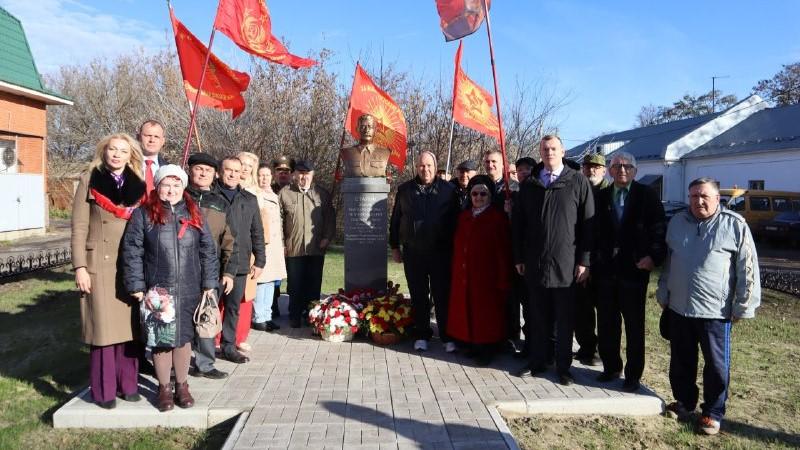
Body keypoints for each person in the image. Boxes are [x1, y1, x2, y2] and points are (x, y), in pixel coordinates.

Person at [657, 177, 760, 436]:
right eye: (693, 196)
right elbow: (670, 261)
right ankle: (684, 403)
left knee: (716, 366)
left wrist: (743, 305)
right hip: (680, 307)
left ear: (717, 199)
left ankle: (712, 413)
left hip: (716, 312)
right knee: (681, 361)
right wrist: (663, 290)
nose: (698, 201)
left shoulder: (734, 225)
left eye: (704, 196)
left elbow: (747, 267)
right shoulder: (678, 222)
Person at [122, 165, 218, 412]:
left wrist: (209, 283)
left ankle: (182, 386)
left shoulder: (194, 212)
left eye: (177, 185)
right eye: (166, 184)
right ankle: (164, 388)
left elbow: (208, 249)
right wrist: (136, 285)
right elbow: (132, 251)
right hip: (158, 291)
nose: (171, 190)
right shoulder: (144, 214)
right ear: (158, 185)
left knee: (184, 338)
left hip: (189, 287)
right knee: (162, 340)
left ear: (183, 187)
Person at [71, 133, 146, 409]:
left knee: (129, 330)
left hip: (129, 265)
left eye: (122, 151)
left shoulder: (138, 186)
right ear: (103, 152)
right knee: (103, 332)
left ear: (131, 156)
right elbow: (79, 227)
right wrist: (80, 266)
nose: (116, 154)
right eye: (112, 149)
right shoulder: (89, 180)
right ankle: (103, 391)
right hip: (98, 266)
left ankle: (128, 384)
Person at [512, 135, 594, 386]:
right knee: (536, 316)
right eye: (545, 149)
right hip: (535, 262)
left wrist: (585, 261)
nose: (549, 152)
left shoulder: (577, 181)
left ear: (562, 151)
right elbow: (518, 224)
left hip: (566, 264)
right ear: (540, 152)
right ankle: (538, 361)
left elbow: (588, 225)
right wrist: (519, 256)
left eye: (553, 148)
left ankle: (563, 367)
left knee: (564, 319)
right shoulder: (531, 184)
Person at [593, 152, 666, 392]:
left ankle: (634, 375)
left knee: (634, 326)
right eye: (617, 166)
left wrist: (653, 257)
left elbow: (658, 229)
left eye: (627, 166)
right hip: (605, 272)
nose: (622, 170)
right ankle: (611, 367)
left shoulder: (647, 195)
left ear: (635, 171)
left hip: (634, 270)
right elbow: (592, 230)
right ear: (610, 171)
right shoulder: (601, 196)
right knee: (606, 323)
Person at [389, 151, 458, 352]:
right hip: (414, 252)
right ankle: (422, 334)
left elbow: (456, 222)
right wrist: (394, 246)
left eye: (429, 166)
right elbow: (395, 220)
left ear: (435, 168)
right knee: (419, 295)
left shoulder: (448, 190)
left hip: (441, 253)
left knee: (442, 295)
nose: (425, 169)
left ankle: (447, 336)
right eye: (421, 166)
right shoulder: (404, 190)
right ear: (416, 167)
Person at [447, 175, 512, 366]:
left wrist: (503, 278)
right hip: (466, 275)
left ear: (490, 196)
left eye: (483, 193)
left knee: (487, 316)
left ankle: (487, 349)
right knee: (469, 311)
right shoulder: (464, 217)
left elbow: (503, 251)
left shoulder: (497, 218)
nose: (478, 197)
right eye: (474, 193)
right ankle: (472, 344)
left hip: (488, 277)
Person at [185, 153, 236, 380]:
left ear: (215, 174)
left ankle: (204, 364)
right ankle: (180, 362)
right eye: (198, 168)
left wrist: (228, 271)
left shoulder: (221, 202)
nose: (203, 173)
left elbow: (229, 240)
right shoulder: (179, 196)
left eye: (208, 170)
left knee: (206, 316)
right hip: (180, 269)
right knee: (182, 318)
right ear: (190, 171)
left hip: (209, 269)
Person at [217, 157, 266, 364]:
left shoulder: (249, 199)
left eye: (237, 171)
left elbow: (257, 232)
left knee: (233, 307)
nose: (232, 174)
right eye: (228, 170)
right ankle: (204, 349)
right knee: (208, 306)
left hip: (240, 262)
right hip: (214, 262)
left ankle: (229, 345)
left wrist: (260, 260)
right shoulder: (211, 196)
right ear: (220, 172)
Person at [279, 160, 336, 328]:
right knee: (295, 284)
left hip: (316, 246)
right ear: (295, 174)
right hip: (294, 247)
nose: (304, 177)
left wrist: (327, 237)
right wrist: (282, 243)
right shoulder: (285, 193)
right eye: (300, 173)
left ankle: (311, 314)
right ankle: (294, 314)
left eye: (307, 174)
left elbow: (330, 218)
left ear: (312, 175)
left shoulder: (321, 194)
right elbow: (278, 221)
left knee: (313, 283)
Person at [573, 152, 611, 366]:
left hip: (604, 261)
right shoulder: (579, 191)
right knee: (582, 308)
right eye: (587, 167)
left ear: (604, 170)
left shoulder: (609, 192)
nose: (591, 170)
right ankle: (587, 348)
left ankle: (603, 353)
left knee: (605, 312)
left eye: (596, 167)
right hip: (582, 258)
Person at [252, 163, 287, 332]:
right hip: (262, 243)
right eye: (260, 175)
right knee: (261, 280)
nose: (264, 178)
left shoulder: (273, 194)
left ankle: (267, 315)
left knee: (271, 281)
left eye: (267, 175)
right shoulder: (254, 194)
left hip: (275, 245)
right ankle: (259, 317)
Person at [269, 155, 294, 316]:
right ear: (274, 173)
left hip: (292, 240)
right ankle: (272, 307)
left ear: (291, 173)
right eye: (279, 170)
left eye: (287, 171)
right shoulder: (268, 190)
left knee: (294, 276)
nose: (283, 174)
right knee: (273, 277)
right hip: (273, 242)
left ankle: (294, 307)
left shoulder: (295, 191)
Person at [137, 119, 168, 193]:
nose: (152, 140)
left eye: (156, 136)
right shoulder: (125, 165)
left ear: (163, 141)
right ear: (138, 137)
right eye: (148, 135)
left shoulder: (168, 169)